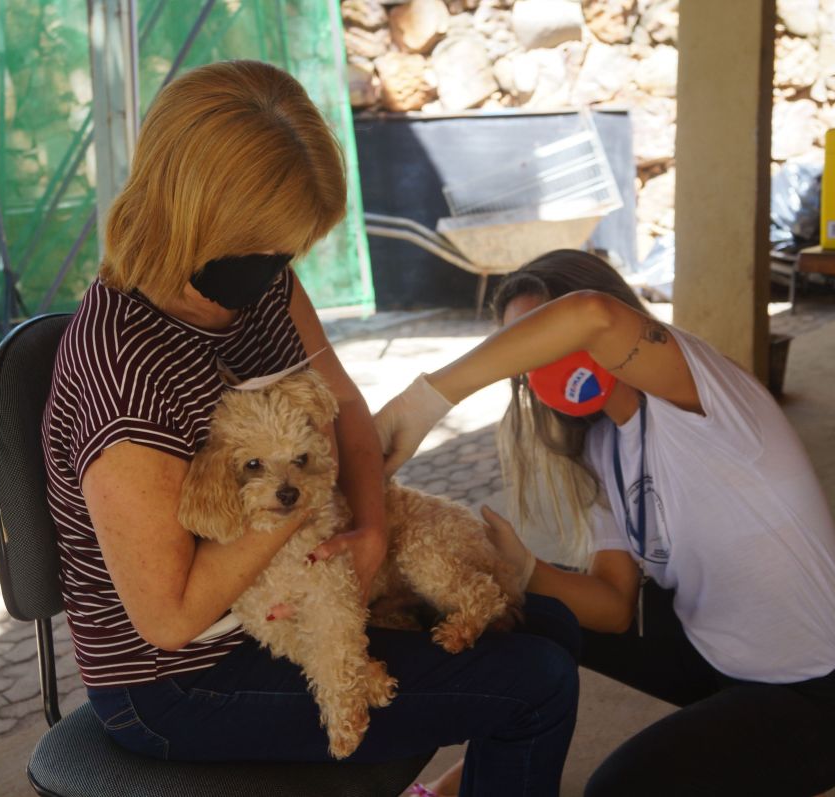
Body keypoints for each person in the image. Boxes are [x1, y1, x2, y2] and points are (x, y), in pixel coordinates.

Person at [42, 60, 579, 795]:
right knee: (537, 681)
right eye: (268, 249)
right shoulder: (126, 371)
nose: (280, 270)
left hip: (304, 580)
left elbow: (346, 408)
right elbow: (169, 618)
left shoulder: (255, 279)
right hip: (184, 676)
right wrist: (305, 491)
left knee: (547, 626)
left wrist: (372, 534)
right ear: (200, 218)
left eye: (289, 251)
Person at [378, 250, 835, 796]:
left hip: (821, 697)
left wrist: (425, 400)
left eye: (539, 338)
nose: (538, 365)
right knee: (518, 607)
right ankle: (464, 785)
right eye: (523, 356)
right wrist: (523, 569)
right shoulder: (604, 446)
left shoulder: (700, 392)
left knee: (619, 788)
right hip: (713, 660)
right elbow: (615, 608)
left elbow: (593, 316)